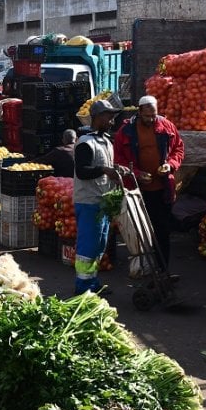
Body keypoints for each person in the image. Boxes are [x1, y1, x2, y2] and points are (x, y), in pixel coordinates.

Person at [113, 95, 185, 271]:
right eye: (148, 116)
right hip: (137, 190)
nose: (152, 119)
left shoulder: (166, 126)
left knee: (162, 230)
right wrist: (136, 174)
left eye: (154, 115)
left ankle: (163, 269)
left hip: (162, 189)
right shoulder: (126, 130)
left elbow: (179, 148)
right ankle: (144, 267)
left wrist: (171, 165)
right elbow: (118, 158)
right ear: (139, 112)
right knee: (141, 231)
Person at [73, 100, 129, 295]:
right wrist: (104, 170)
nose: (112, 120)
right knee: (87, 246)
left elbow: (106, 166)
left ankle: (92, 281)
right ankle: (82, 287)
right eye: (108, 116)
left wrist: (116, 169)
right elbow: (82, 171)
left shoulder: (106, 141)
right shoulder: (85, 143)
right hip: (88, 201)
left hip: (103, 200)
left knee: (99, 244)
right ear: (97, 118)